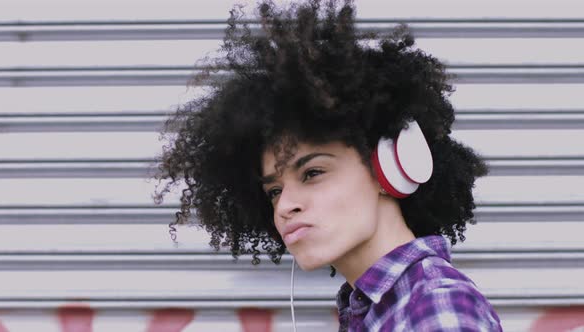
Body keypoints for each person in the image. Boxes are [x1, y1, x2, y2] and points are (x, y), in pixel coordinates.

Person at [155, 0, 503, 330]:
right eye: (274, 191)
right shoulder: (376, 309)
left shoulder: (435, 306)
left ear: (389, 167)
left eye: (312, 173)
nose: (285, 207)